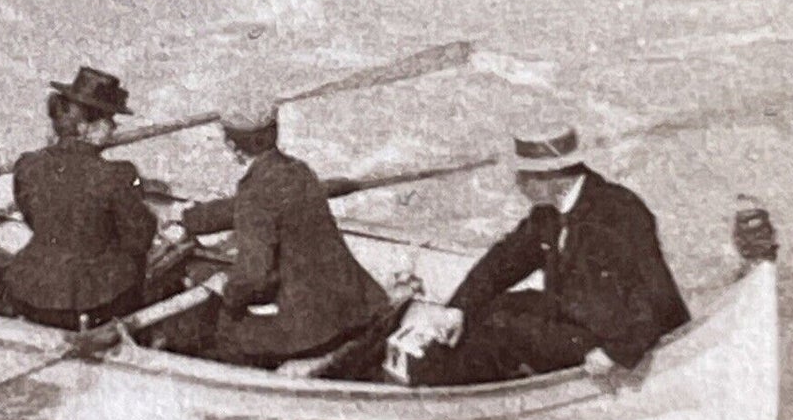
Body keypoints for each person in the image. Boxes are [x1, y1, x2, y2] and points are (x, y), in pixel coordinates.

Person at [396, 128, 690, 387]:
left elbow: (656, 298)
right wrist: (458, 309)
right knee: (490, 309)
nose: (518, 183)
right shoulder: (548, 213)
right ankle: (437, 374)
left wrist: (616, 352)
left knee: (502, 326)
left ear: (553, 177)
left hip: (617, 339)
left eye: (524, 175)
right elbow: (501, 263)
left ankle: (442, 392)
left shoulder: (618, 213)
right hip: (582, 323)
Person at [200, 99, 396, 371]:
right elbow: (263, 207)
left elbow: (254, 276)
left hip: (313, 330)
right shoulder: (299, 170)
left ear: (232, 147)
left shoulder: (253, 190)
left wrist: (227, 295)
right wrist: (195, 219)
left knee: (221, 330)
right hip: (362, 306)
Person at [7, 67, 159, 331]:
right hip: (88, 297)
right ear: (89, 127)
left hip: (30, 286)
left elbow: (33, 218)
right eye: (110, 120)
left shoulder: (28, 165)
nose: (113, 128)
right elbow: (139, 239)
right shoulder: (117, 174)